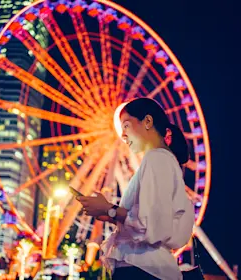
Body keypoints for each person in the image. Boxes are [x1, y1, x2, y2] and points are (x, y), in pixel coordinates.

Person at [78, 97, 195, 280]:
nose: (122, 136)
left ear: (147, 121)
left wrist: (110, 210)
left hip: (142, 270)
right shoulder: (162, 162)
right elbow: (156, 224)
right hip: (145, 269)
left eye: (126, 126)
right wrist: (110, 214)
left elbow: (152, 227)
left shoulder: (156, 159)